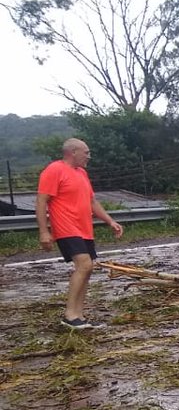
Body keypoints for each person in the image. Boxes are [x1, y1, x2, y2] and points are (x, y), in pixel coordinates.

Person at [36, 138, 124, 330]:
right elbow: (42, 201)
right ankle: (69, 315)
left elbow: (92, 202)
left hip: (84, 228)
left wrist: (110, 221)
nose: (89, 157)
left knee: (89, 267)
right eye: (86, 152)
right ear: (73, 152)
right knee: (83, 265)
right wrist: (44, 231)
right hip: (66, 227)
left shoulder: (82, 173)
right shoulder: (54, 170)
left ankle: (79, 316)